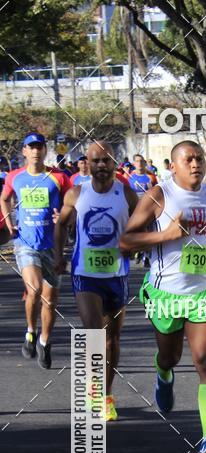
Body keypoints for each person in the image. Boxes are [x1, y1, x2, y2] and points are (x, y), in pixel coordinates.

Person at [120, 140, 206, 453]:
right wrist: (165, 235)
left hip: (205, 292)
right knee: (170, 356)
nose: (196, 164)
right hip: (166, 293)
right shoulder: (159, 195)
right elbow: (126, 240)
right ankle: (163, 372)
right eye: (189, 159)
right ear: (174, 166)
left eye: (200, 158)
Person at [54, 141, 138, 421]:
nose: (101, 165)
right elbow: (62, 225)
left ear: (115, 163)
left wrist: (136, 244)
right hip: (85, 273)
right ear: (86, 164)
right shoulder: (77, 193)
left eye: (106, 160)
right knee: (94, 333)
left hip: (117, 274)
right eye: (96, 161)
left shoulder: (126, 194)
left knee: (112, 339)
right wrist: (58, 256)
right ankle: (95, 388)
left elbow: (143, 224)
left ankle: (107, 393)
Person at [0, 132, 70, 368]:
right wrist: (10, 225)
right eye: (31, 147)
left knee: (50, 302)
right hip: (25, 243)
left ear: (45, 150)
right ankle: (30, 331)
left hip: (53, 245)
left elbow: (72, 202)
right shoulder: (15, 177)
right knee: (34, 289)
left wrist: (65, 216)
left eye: (40, 146)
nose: (36, 150)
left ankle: (44, 341)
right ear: (25, 152)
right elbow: (5, 198)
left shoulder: (58, 177)